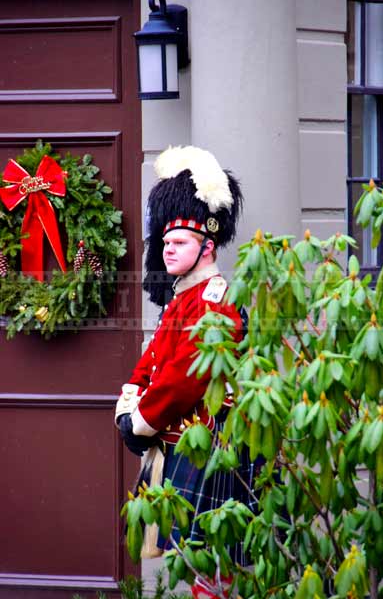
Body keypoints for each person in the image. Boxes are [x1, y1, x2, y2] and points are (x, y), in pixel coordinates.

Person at [114, 145, 247, 556]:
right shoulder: (182, 298)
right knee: (194, 568)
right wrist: (128, 407)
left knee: (210, 567)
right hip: (176, 438)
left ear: (207, 247)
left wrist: (140, 422)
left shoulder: (211, 302)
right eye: (165, 241)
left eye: (179, 241)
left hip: (203, 442)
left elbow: (183, 379)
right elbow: (152, 361)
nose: (166, 249)